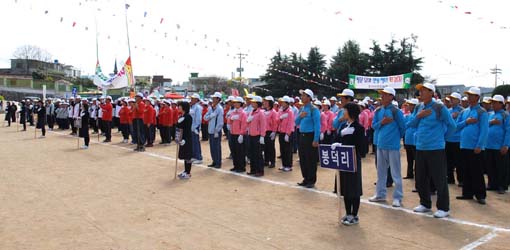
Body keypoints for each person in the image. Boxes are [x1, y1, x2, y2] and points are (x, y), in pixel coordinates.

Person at [408, 83, 456, 218]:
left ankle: (443, 208)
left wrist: (442, 138)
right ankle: (425, 204)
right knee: (420, 177)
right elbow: (411, 124)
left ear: (431, 93)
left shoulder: (439, 107)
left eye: (424, 90)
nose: (421, 93)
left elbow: (452, 125)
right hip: (420, 147)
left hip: (435, 148)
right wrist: (419, 116)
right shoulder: (419, 107)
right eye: (420, 90)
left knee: (439, 178)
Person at [369, 87, 406, 207]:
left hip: (393, 145)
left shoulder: (396, 111)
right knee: (381, 172)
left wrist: (395, 138)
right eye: (382, 94)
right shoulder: (378, 111)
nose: (382, 97)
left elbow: (402, 128)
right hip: (380, 144)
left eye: (385, 94)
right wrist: (382, 123)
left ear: (391, 97)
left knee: (395, 172)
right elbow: (373, 126)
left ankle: (398, 197)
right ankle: (380, 194)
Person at [331, 102, 364, 226]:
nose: (343, 113)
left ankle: (354, 215)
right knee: (345, 187)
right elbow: (337, 139)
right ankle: (348, 212)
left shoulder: (359, 128)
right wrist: (337, 143)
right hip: (343, 161)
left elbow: (361, 148)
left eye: (345, 111)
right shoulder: (343, 126)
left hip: (353, 162)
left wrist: (346, 144)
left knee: (354, 188)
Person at [456, 87, 488, 205]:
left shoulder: (481, 112)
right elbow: (456, 126)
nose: (469, 97)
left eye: (472, 95)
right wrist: (466, 122)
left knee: (477, 172)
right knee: (466, 170)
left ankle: (480, 195)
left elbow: (484, 130)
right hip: (464, 145)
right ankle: (467, 193)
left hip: (475, 147)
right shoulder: (464, 111)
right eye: (468, 95)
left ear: (477, 97)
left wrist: (480, 145)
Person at [295, 89, 321, 188]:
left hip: (310, 136)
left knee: (311, 159)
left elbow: (317, 125)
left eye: (304, 95)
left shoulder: (314, 109)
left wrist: (316, 139)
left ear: (309, 97)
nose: (302, 97)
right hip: (302, 136)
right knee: (303, 158)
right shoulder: (302, 109)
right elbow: (296, 122)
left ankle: (311, 180)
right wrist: (300, 117)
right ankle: (305, 178)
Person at [485, 95, 509, 194]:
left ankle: (501, 186)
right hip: (488, 145)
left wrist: (506, 145)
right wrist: (491, 122)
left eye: (495, 102)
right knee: (490, 166)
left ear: (501, 104)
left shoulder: (505, 115)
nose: (493, 104)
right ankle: (492, 184)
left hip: (499, 145)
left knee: (501, 167)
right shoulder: (490, 114)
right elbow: (484, 125)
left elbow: (508, 131)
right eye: (492, 102)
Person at [445, 92, 464, 185]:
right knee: (449, 160)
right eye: (451, 99)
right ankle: (450, 178)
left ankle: (461, 179)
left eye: (453, 99)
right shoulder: (448, 111)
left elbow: (459, 125)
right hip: (449, 139)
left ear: (458, 100)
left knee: (459, 161)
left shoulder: (463, 111)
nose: (451, 100)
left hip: (458, 139)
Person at [246, 96, 266, 176]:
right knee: (252, 153)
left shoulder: (261, 112)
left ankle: (260, 171)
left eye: (254, 102)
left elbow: (263, 125)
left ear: (258, 103)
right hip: (251, 134)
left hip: (257, 136)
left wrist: (262, 136)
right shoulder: (252, 112)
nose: (252, 103)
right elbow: (248, 122)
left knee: (258, 154)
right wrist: (248, 120)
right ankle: (253, 169)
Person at [204, 92, 224, 168]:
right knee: (212, 147)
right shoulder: (211, 108)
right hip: (210, 130)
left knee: (216, 147)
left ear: (218, 99)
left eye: (214, 98)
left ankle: (218, 162)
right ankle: (214, 161)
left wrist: (217, 130)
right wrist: (210, 116)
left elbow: (220, 122)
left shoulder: (220, 109)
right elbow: (205, 117)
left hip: (216, 131)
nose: (213, 99)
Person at [228, 97, 248, 172]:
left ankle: (241, 167)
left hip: (239, 134)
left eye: (237, 102)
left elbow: (244, 125)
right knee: (234, 151)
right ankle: (236, 166)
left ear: (240, 103)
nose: (235, 104)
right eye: (234, 102)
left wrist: (241, 134)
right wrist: (231, 118)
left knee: (240, 151)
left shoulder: (243, 113)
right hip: (233, 133)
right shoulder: (233, 112)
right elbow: (229, 122)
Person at [176, 101, 194, 179]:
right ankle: (185, 170)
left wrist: (184, 139)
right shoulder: (181, 116)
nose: (178, 107)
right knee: (184, 155)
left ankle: (188, 172)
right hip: (181, 138)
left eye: (180, 106)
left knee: (188, 156)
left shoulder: (188, 117)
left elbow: (187, 129)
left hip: (187, 139)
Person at [277, 96, 295, 172]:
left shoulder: (290, 112)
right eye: (282, 103)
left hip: (287, 133)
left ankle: (289, 165)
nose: (282, 104)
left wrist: (288, 134)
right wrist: (280, 118)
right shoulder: (280, 111)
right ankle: (284, 164)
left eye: (284, 103)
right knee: (282, 149)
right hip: (281, 132)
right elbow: (277, 121)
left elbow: (290, 124)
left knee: (288, 150)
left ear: (287, 104)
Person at [403, 98, 419, 179]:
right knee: (409, 159)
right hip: (408, 139)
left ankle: (417, 176)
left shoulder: (418, 115)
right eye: (410, 105)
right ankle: (409, 174)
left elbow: (410, 124)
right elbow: (404, 125)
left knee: (417, 160)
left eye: (412, 105)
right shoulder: (408, 115)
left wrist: (408, 124)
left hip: (414, 141)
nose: (410, 107)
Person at [263, 96, 278, 168]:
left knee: (271, 147)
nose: (265, 103)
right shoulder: (264, 111)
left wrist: (274, 132)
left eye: (267, 101)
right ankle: (266, 160)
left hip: (270, 131)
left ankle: (272, 161)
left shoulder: (273, 112)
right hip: (264, 131)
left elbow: (275, 123)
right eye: (264, 101)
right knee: (265, 146)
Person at [189, 94, 203, 164]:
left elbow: (198, 119)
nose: (191, 99)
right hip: (191, 127)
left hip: (195, 127)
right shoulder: (192, 107)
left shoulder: (198, 107)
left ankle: (199, 157)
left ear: (197, 99)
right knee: (192, 143)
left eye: (193, 98)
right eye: (191, 98)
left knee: (196, 142)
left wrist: (195, 127)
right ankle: (194, 156)